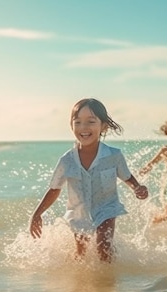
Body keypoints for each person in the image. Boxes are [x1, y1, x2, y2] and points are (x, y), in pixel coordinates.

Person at [29, 98, 148, 262]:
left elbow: (126, 176)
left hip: (107, 208)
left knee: (103, 248)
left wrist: (137, 187)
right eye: (77, 122)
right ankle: (82, 285)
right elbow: (55, 189)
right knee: (81, 255)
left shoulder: (114, 155)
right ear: (71, 126)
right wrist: (37, 214)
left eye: (90, 122)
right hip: (79, 214)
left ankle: (108, 282)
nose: (83, 128)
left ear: (103, 126)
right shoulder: (67, 160)